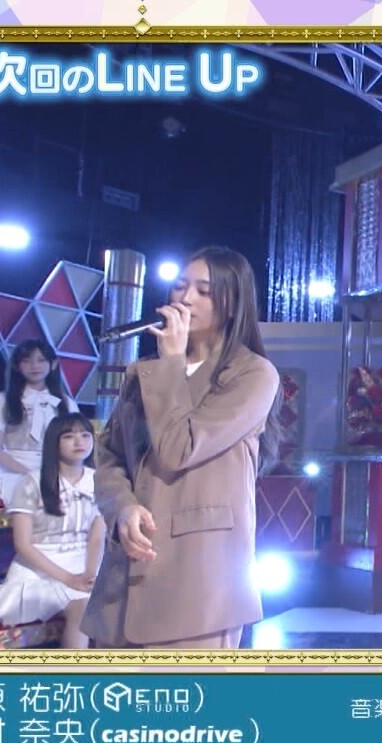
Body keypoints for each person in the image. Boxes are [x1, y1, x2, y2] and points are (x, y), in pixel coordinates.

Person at [81, 246, 283, 649]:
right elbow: (109, 457)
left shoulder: (253, 375)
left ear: (231, 304)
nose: (185, 298)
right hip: (124, 579)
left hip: (199, 583)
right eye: (179, 286)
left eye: (204, 291)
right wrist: (122, 506)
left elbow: (179, 448)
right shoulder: (144, 372)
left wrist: (171, 361)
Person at [0, 412, 104, 649]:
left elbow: (97, 536)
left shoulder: (99, 481)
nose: (79, 442)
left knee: (111, 602)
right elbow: (23, 544)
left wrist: (90, 575)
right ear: (54, 442)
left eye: (85, 435)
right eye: (69, 436)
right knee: (83, 607)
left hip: (83, 563)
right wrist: (69, 579)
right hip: (38, 570)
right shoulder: (32, 482)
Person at [0, 339, 79, 513]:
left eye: (41, 360)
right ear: (17, 366)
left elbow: (73, 448)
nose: (34, 366)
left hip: (54, 472)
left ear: (53, 364)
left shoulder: (67, 404)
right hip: (10, 471)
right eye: (27, 360)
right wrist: (30, 474)